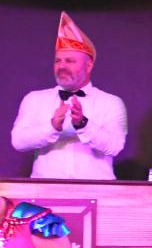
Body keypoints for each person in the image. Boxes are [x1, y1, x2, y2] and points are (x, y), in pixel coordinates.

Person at [10, 12, 127, 180]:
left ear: (88, 66)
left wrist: (83, 124)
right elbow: (18, 141)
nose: (62, 66)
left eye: (70, 61)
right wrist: (52, 126)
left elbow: (115, 146)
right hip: (46, 188)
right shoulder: (34, 99)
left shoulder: (111, 103)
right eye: (58, 61)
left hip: (97, 190)